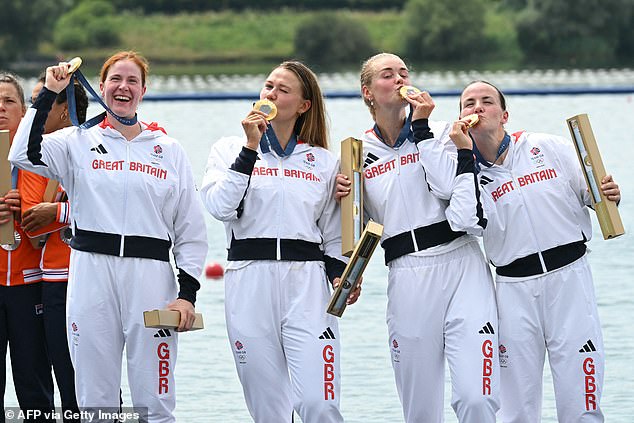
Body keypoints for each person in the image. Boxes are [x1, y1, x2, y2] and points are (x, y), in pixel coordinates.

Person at [9, 52, 208, 422]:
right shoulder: (75, 141)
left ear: (143, 91)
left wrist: (186, 296)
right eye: (116, 79)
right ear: (101, 87)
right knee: (95, 401)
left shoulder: (169, 150)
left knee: (156, 400)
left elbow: (191, 232)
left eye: (132, 81)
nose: (123, 87)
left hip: (151, 278)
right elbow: (21, 153)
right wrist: (50, 93)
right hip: (91, 276)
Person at [336, 53, 499, 422]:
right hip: (406, 273)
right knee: (420, 408)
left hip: (461, 264)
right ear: (368, 92)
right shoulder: (356, 154)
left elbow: (445, 185)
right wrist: (342, 196)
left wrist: (421, 127)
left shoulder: (443, 132)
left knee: (476, 397)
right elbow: (355, 229)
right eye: (387, 74)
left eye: (404, 72)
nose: (398, 78)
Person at [449, 80, 620, 422]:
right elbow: (465, 222)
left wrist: (607, 192)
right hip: (513, 289)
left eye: (486, 101)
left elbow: (592, 194)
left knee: (581, 396)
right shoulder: (465, 172)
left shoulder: (545, 146)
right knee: (517, 406)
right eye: (469, 104)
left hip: (569, 277)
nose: (477, 108)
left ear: (505, 114)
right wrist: (465, 157)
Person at [201, 61, 353, 423]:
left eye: (283, 90)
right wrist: (249, 149)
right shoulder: (228, 149)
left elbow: (332, 234)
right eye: (268, 86)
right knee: (269, 411)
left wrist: (340, 277)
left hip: (308, 286)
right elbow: (221, 207)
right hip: (249, 282)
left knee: (320, 404)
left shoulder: (323, 161)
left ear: (303, 106)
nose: (270, 94)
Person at [16, 75, 89, 422]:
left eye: (43, 102)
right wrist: (69, 211)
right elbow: (33, 224)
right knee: (64, 376)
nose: (37, 109)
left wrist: (59, 210)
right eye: (34, 102)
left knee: (93, 381)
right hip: (55, 278)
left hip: (96, 274)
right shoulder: (36, 155)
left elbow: (123, 212)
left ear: (64, 110)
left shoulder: (100, 145)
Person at [1, 72, 55, 421]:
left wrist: (30, 213)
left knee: (33, 383)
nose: (0, 109)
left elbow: (65, 223)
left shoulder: (43, 158)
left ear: (24, 112)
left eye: (9, 102)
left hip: (30, 285)